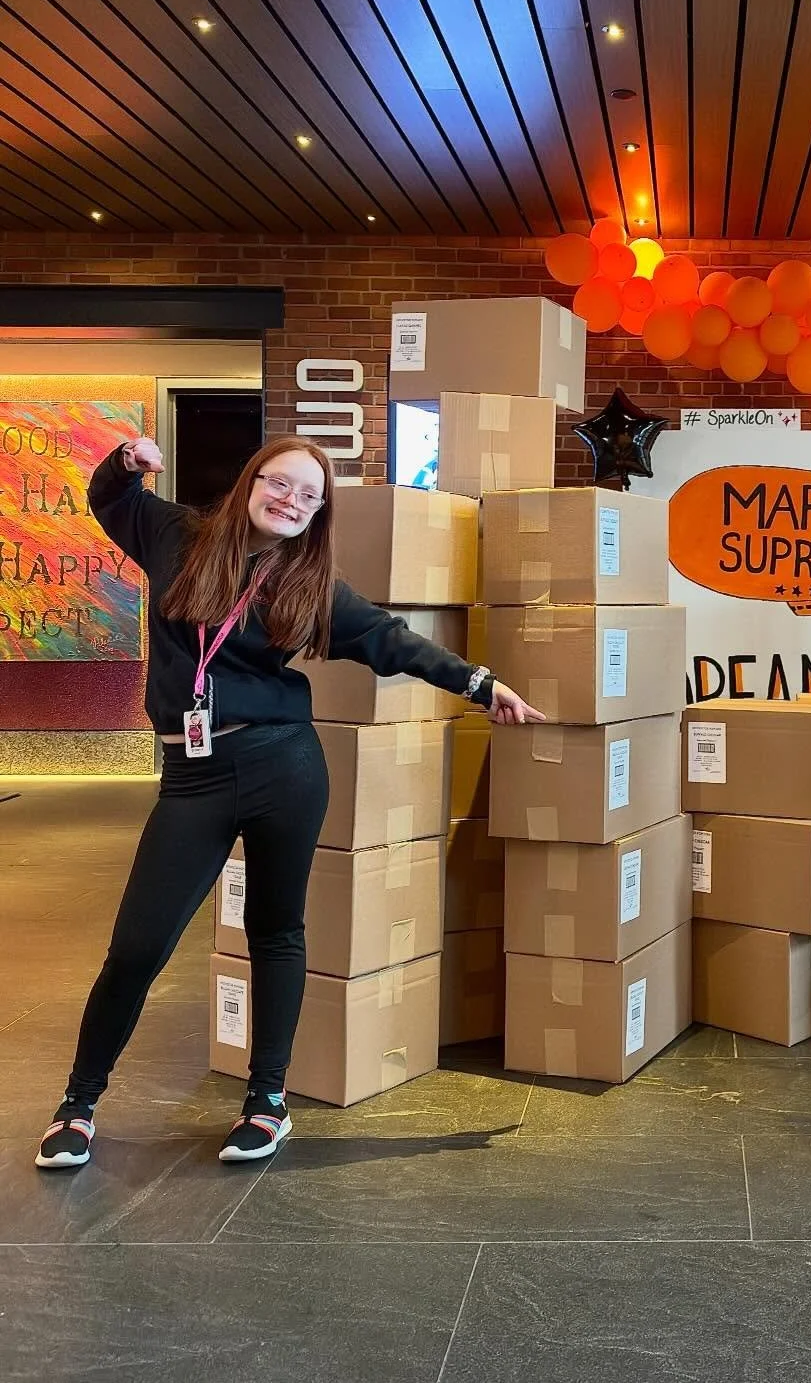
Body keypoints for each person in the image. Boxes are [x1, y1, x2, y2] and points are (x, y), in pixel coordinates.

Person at [36, 434, 544, 1171]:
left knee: (276, 931)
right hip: (193, 777)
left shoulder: (310, 587)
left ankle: (267, 1104)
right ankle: (77, 1108)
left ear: (320, 512)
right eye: (281, 484)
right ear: (251, 482)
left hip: (285, 767)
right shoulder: (178, 537)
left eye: (310, 496)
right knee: (138, 948)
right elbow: (110, 501)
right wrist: (124, 460)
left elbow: (392, 641)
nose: (292, 501)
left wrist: (479, 683)